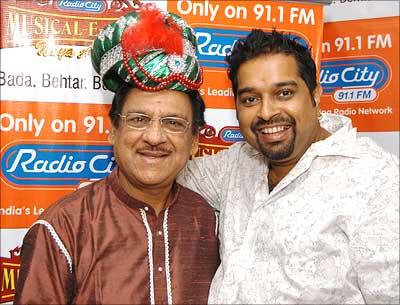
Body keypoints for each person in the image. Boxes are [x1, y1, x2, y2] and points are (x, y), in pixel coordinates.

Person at [14, 3, 219, 305]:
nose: (154, 137)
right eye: (139, 119)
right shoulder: (63, 228)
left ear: (194, 142)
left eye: (173, 124)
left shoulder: (208, 221)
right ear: (113, 130)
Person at [178, 29, 399, 304]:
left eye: (284, 93)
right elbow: (166, 172)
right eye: (250, 99)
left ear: (315, 96)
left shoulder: (376, 179)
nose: (267, 112)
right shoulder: (237, 163)